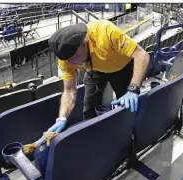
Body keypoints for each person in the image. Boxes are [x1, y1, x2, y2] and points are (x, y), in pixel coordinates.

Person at [35, 19, 150, 147]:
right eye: (66, 60)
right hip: (94, 69)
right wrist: (62, 117)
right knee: (89, 105)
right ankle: (90, 138)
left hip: (121, 68)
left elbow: (142, 55)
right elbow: (69, 90)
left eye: (72, 59)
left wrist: (133, 89)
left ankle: (127, 140)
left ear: (84, 44)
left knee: (125, 105)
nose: (70, 64)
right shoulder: (66, 59)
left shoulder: (106, 32)